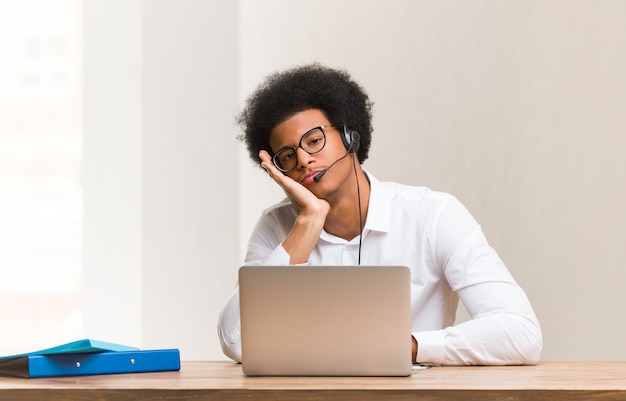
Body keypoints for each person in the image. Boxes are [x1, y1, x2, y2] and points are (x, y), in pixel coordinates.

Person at [217, 63, 542, 365]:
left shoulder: (432, 215)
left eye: (314, 140)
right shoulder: (278, 227)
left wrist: (404, 346)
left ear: (349, 135)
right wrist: (308, 221)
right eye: (287, 156)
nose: (302, 160)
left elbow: (521, 331)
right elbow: (236, 340)